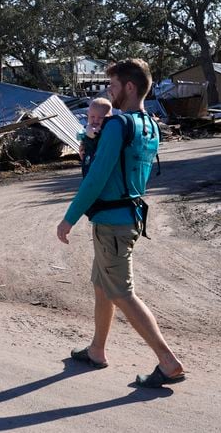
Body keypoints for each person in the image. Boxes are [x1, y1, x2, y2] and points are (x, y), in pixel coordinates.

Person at [56, 59, 186, 389]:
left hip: (113, 223)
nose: (108, 93)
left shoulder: (118, 125)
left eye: (112, 87)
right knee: (103, 286)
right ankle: (97, 350)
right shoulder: (149, 124)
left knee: (122, 293)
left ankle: (167, 361)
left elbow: (97, 176)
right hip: (127, 217)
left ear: (129, 87)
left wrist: (68, 218)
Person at [79, 96, 113, 177]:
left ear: (109, 118)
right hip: (87, 168)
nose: (96, 120)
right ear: (88, 115)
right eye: (92, 117)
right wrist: (83, 148)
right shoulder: (86, 129)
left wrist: (91, 138)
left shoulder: (108, 132)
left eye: (101, 117)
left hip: (99, 173)